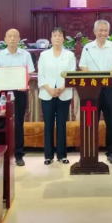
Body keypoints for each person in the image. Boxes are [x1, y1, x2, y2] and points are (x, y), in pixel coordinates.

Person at [79, 20, 112, 165]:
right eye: (100, 30)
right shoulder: (87, 47)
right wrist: (94, 78)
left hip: (109, 86)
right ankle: (90, 151)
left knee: (111, 120)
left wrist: (108, 75)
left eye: (106, 30)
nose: (103, 33)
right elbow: (83, 66)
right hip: (91, 88)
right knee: (91, 121)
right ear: (94, 32)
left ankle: (111, 152)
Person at [0, 29, 35, 167]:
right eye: (9, 36)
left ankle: (18, 154)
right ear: (5, 39)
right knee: (2, 122)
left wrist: (24, 82)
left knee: (18, 122)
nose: (12, 39)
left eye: (14, 36)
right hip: (3, 93)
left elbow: (29, 73)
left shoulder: (26, 54)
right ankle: (2, 154)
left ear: (19, 39)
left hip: (20, 92)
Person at [37, 27, 76, 165]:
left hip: (63, 93)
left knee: (61, 125)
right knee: (48, 125)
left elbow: (71, 74)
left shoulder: (69, 55)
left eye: (60, 35)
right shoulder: (44, 55)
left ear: (63, 38)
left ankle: (62, 155)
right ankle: (48, 156)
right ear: (51, 38)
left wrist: (61, 88)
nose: (57, 38)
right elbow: (40, 74)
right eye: (55, 35)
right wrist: (49, 89)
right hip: (47, 94)